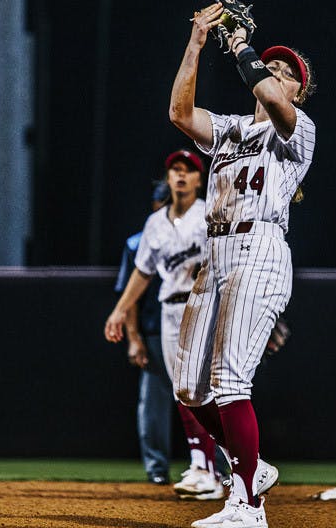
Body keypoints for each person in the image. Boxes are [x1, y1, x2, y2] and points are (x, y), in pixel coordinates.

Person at [168, 1, 316, 528]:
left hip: (260, 250)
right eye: (271, 66)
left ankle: (247, 508)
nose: (275, 73)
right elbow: (180, 116)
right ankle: (251, 467)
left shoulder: (297, 131)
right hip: (216, 255)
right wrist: (198, 41)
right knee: (188, 386)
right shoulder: (231, 130)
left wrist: (244, 50)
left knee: (231, 379)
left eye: (287, 73)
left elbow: (272, 99)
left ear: (300, 91)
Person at [105, 150, 225, 500]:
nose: (181, 175)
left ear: (200, 179)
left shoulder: (210, 214)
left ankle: (216, 467)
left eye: (188, 170)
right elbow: (142, 273)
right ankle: (203, 466)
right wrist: (119, 311)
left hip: (202, 304)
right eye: (175, 169)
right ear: (168, 178)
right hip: (170, 310)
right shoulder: (155, 224)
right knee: (183, 393)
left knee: (208, 391)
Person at [112, 180, 174, 485]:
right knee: (153, 406)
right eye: (162, 202)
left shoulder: (201, 235)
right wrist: (133, 338)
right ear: (154, 206)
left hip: (195, 329)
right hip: (155, 331)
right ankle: (157, 468)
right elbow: (131, 294)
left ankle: (215, 468)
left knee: (210, 401)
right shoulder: (139, 242)